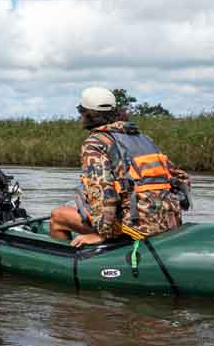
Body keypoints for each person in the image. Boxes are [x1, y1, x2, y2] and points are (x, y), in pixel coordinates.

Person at [49, 86, 190, 246]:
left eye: (81, 113)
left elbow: (103, 192)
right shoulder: (144, 138)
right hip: (169, 222)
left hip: (136, 227)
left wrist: (103, 234)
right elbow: (182, 179)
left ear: (88, 114)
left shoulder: (95, 143)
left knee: (58, 217)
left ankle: (73, 262)